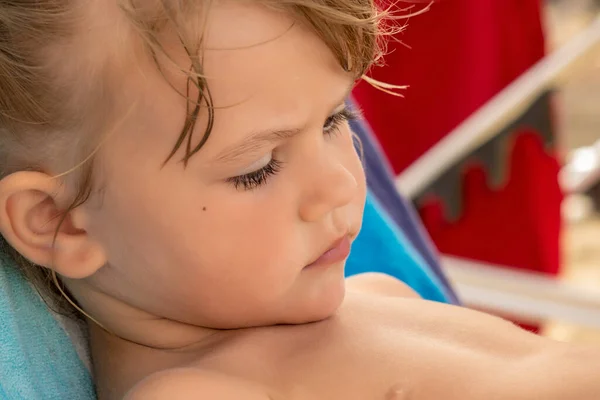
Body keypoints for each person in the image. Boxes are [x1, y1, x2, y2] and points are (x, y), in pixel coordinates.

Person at [0, 1, 598, 399]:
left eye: (338, 118)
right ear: (60, 224)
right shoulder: (198, 393)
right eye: (258, 170)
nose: (340, 183)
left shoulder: (373, 295)